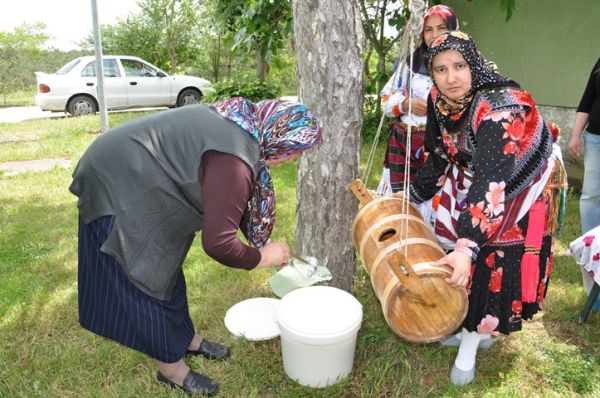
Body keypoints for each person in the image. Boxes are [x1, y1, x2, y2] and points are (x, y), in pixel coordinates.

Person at [69, 97, 322, 396]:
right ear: (278, 136)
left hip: (145, 178)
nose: (291, 160)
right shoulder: (236, 158)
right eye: (292, 152)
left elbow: (222, 201)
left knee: (167, 266)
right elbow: (218, 244)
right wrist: (263, 257)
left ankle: (186, 339)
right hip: (116, 182)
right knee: (143, 276)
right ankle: (171, 370)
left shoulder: (243, 124)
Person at [407, 31, 564, 385]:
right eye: (441, 69)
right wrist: (410, 197)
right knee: (464, 239)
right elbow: (441, 152)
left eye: (459, 66)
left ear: (474, 64)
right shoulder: (439, 99)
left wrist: (466, 246)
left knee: (491, 249)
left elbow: (492, 185)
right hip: (487, 175)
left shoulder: (499, 107)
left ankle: (472, 341)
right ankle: (468, 326)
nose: (451, 78)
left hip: (523, 178)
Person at [379, 5, 459, 195]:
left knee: (437, 204)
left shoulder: (465, 65)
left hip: (443, 150)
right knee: (399, 206)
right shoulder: (410, 63)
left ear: (453, 29)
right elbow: (385, 101)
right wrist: (406, 105)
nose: (434, 35)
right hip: (403, 147)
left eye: (441, 28)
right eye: (428, 30)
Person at [568, 56, 600, 307]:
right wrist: (576, 133)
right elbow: (587, 99)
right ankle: (593, 282)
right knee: (591, 201)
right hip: (596, 140)